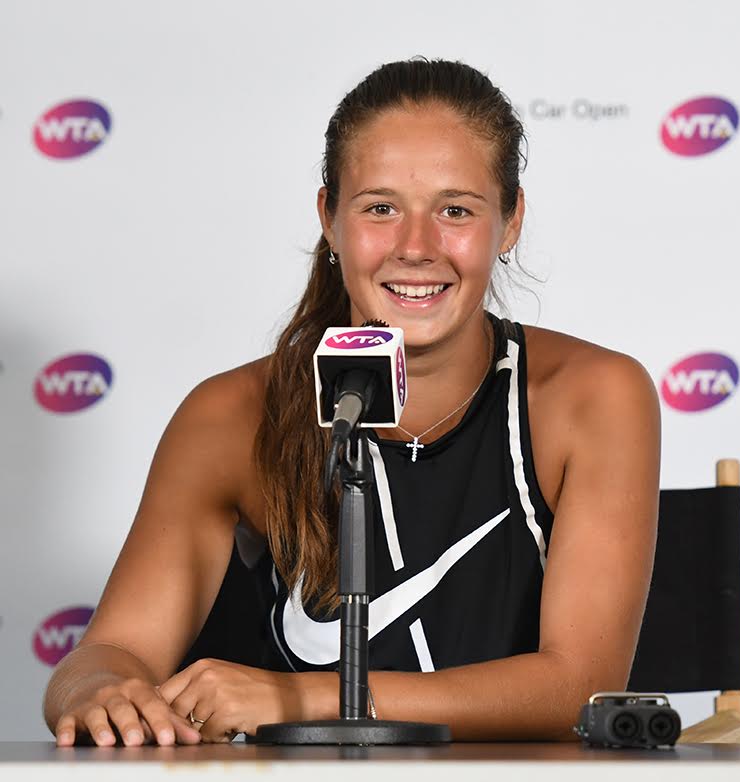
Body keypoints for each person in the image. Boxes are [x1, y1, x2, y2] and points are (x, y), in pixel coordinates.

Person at [43, 59, 660, 745]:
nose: (417, 247)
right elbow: (110, 654)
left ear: (510, 221)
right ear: (329, 220)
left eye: (456, 210)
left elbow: (579, 687)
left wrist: (302, 698)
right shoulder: (229, 416)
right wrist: (98, 689)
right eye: (380, 208)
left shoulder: (593, 396)